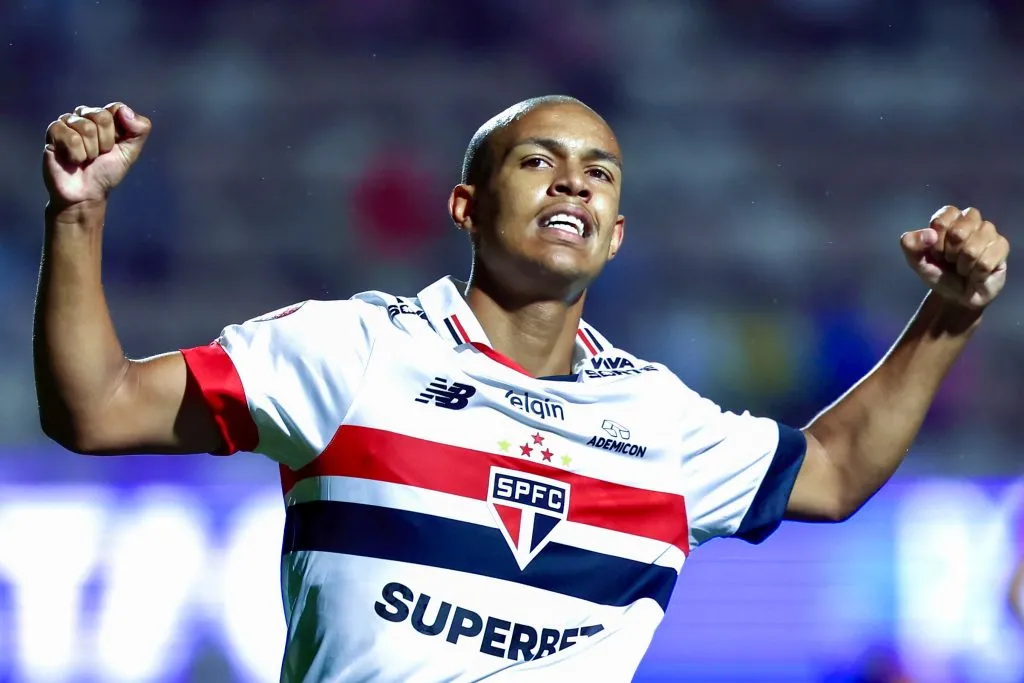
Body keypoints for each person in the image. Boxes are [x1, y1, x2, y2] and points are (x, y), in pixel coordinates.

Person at [35, 97, 1009, 682]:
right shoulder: (351, 349)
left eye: (598, 174)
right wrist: (78, 217)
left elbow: (833, 470)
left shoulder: (660, 419)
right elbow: (96, 406)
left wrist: (952, 312)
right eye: (537, 161)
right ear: (465, 205)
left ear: (617, 233)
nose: (571, 185)